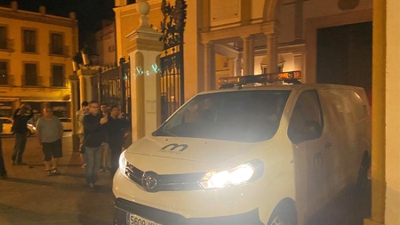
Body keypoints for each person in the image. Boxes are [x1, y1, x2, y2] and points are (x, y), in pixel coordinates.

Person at [83, 100, 108, 189]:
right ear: (89, 108)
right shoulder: (87, 118)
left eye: (97, 107)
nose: (96, 109)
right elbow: (89, 128)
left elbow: (104, 130)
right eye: (93, 107)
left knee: (97, 164)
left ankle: (94, 180)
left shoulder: (100, 116)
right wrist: (100, 123)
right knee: (90, 163)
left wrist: (103, 140)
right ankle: (89, 181)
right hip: (89, 144)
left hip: (99, 144)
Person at [36, 107, 64, 176]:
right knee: (47, 156)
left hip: (56, 140)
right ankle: (48, 169)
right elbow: (38, 131)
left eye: (50, 111)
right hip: (45, 141)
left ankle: (55, 168)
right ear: (44, 112)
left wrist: (60, 138)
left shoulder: (56, 119)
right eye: (47, 111)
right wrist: (40, 141)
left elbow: (60, 128)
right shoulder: (41, 120)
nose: (49, 113)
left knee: (56, 155)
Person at [106, 106, 130, 176]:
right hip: (111, 140)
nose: (117, 111)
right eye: (115, 110)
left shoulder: (118, 120)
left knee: (118, 155)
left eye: (118, 110)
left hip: (119, 140)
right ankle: (113, 171)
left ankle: (116, 169)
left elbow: (126, 124)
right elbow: (112, 129)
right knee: (114, 156)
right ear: (111, 112)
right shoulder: (109, 120)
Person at [76, 101, 89, 168]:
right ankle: (84, 162)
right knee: (82, 147)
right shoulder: (79, 113)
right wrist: (84, 113)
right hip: (82, 132)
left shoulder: (89, 112)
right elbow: (80, 120)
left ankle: (89, 161)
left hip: (89, 131)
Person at [99, 102, 110, 172]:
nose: (103, 109)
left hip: (106, 136)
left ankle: (106, 166)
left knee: (106, 152)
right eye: (102, 107)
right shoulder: (98, 116)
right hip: (100, 136)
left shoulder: (109, 116)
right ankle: (101, 166)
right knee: (100, 153)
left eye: (104, 107)